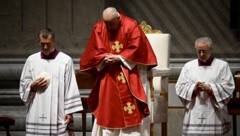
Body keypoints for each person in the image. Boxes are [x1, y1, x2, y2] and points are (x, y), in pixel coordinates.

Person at [80, 7, 157, 136]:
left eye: (111, 23)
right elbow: (93, 51)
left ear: (118, 18)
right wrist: (104, 58)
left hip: (128, 74)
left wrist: (119, 57)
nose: (109, 27)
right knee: (109, 110)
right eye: (106, 24)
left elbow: (138, 48)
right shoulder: (99, 27)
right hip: (108, 74)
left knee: (131, 111)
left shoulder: (131, 25)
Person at [19, 28, 83, 135]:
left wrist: (69, 112)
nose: (45, 47)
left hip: (57, 111)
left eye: (48, 44)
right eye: (42, 44)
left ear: (54, 41)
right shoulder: (31, 60)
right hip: (36, 108)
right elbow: (24, 83)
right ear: (38, 42)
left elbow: (70, 87)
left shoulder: (65, 60)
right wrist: (32, 86)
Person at [175, 37, 235, 135]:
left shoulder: (222, 66)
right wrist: (193, 88)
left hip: (214, 112)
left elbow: (228, 86)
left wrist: (210, 89)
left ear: (211, 49)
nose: (201, 54)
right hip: (195, 109)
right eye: (199, 52)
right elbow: (180, 86)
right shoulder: (188, 66)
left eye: (204, 51)